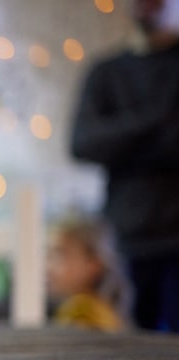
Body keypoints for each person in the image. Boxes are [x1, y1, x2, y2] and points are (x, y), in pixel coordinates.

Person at [70, 0, 179, 332]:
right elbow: (82, 143)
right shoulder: (106, 72)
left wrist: (123, 140)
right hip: (125, 240)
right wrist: (157, 122)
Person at [47, 215, 131, 332]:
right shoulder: (102, 310)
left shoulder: (83, 314)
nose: (50, 267)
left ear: (94, 265)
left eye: (62, 255)